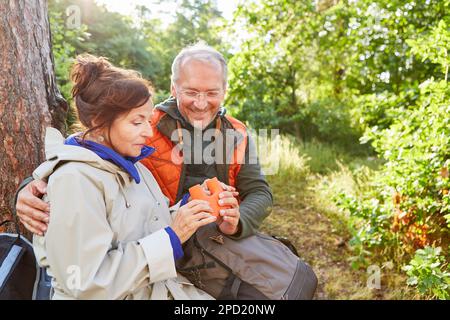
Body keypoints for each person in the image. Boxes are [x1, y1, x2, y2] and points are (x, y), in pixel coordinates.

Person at [16, 42, 272, 242]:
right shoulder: (145, 124)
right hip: (157, 244)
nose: (201, 103)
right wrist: (28, 187)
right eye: (191, 92)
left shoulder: (237, 132)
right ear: (173, 88)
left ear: (225, 90)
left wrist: (237, 221)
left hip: (220, 241)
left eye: (212, 93)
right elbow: (84, 147)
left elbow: (259, 192)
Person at [31, 54, 227, 299]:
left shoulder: (134, 166)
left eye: (148, 120)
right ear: (99, 122)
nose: (148, 132)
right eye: (137, 122)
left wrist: (190, 208)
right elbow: (86, 283)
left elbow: (148, 226)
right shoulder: (75, 180)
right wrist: (173, 237)